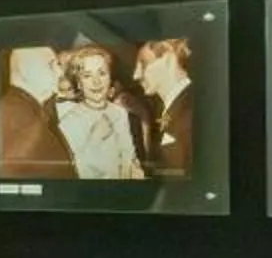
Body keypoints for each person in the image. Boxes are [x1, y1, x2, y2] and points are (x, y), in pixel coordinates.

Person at [50, 46, 144, 180]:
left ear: (110, 78)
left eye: (102, 73)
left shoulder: (120, 113)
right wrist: (94, 141)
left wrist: (135, 171)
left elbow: (129, 157)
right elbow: (73, 172)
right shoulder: (68, 124)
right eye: (87, 76)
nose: (96, 82)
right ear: (79, 83)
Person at [0, 45, 72, 178]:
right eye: (52, 64)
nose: (60, 72)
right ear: (28, 70)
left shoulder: (22, 107)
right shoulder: (14, 114)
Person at [134, 37, 195, 175]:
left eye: (143, 64)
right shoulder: (172, 107)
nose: (135, 75)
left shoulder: (190, 109)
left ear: (169, 58)